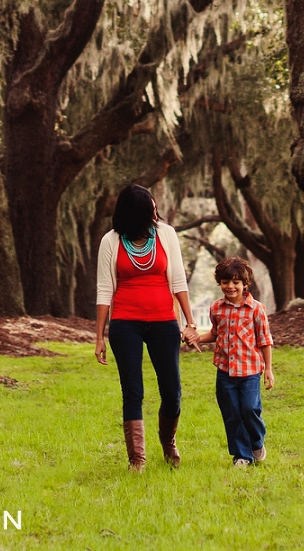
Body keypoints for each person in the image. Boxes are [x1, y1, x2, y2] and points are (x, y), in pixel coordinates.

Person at [95, 183, 200, 471]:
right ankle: (137, 459)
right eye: (150, 210)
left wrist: (190, 322)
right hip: (125, 322)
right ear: (134, 215)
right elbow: (104, 290)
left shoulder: (166, 235)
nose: (156, 214)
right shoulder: (111, 241)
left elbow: (178, 280)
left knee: (172, 390)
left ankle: (168, 442)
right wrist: (99, 337)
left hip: (164, 320)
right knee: (133, 391)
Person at [196, 256, 275, 467]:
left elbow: (265, 340)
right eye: (225, 282)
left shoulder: (256, 309)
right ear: (219, 283)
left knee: (249, 410)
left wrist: (268, 369)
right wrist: (198, 339)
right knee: (232, 414)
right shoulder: (216, 308)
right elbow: (215, 333)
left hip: (249, 372)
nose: (230, 287)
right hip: (225, 372)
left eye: (235, 282)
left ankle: (257, 442)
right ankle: (242, 456)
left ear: (245, 284)